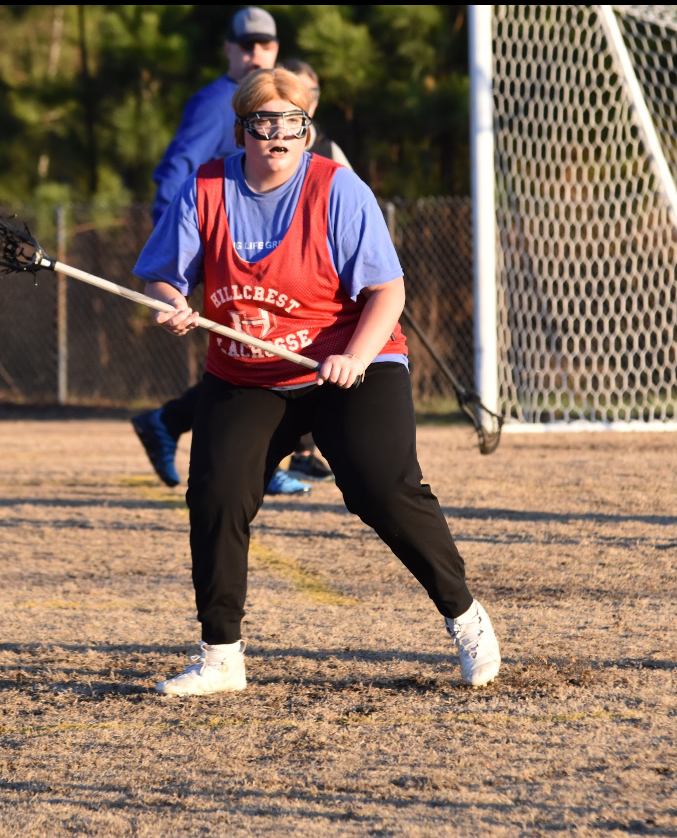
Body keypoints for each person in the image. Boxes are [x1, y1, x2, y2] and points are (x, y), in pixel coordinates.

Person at [134, 68, 502, 696]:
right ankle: (221, 657)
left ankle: (466, 619)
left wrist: (354, 357)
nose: (276, 135)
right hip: (247, 372)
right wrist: (169, 301)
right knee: (217, 493)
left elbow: (388, 290)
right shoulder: (206, 188)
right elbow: (164, 277)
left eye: (290, 123)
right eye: (262, 122)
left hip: (347, 362)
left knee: (381, 487)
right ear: (243, 128)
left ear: (307, 130)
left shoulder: (338, 189)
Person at [131, 57, 347, 492]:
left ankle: (282, 453)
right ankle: (262, 455)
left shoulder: (331, 164)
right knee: (252, 362)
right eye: (268, 116)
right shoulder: (220, 161)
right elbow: (184, 167)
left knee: (299, 360)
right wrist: (175, 270)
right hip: (249, 283)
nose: (280, 123)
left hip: (311, 311)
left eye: (304, 101)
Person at [151, 7, 279, 226]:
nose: (256, 54)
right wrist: (167, 234)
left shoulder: (279, 101)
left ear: (275, 49)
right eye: (247, 45)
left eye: (265, 46)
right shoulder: (216, 103)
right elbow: (178, 168)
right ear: (228, 49)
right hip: (222, 239)